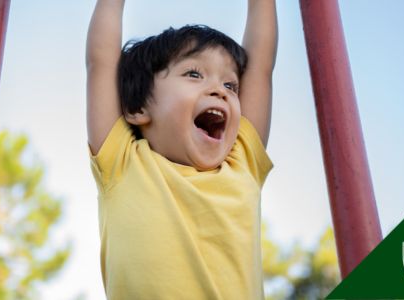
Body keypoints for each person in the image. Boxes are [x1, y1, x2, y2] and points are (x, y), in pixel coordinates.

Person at [86, 0, 277, 298]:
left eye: (230, 85)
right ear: (138, 107)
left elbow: (261, 67)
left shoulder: (242, 162)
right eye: (194, 74)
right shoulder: (123, 163)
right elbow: (101, 62)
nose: (219, 90)